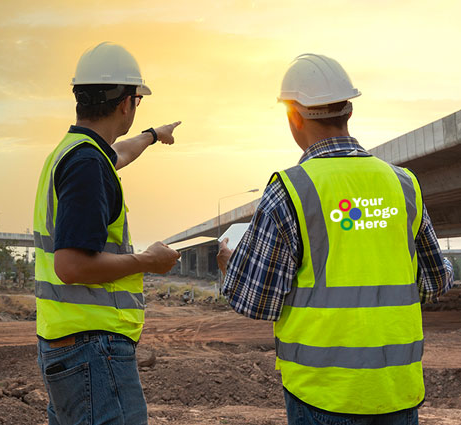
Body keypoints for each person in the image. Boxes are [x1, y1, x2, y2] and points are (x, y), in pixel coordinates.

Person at [217, 53, 455, 425]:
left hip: (324, 393)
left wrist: (230, 265)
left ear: (293, 117)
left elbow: (257, 301)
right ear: (348, 111)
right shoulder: (403, 184)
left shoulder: (291, 190)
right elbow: (436, 281)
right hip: (397, 389)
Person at [32, 42, 181, 424]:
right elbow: (71, 265)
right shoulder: (86, 164)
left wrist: (151, 134)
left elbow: (120, 154)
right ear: (126, 103)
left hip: (68, 342)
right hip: (93, 348)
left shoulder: (77, 152)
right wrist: (149, 261)